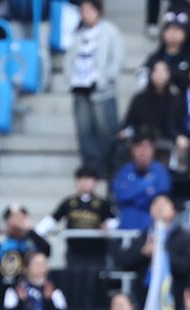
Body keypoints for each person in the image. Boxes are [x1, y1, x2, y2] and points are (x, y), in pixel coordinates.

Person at [69, 0, 124, 178]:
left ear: (98, 11)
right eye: (82, 11)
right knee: (85, 132)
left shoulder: (110, 32)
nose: (85, 14)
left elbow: (117, 59)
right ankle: (91, 171)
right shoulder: (77, 33)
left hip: (102, 91)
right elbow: (69, 59)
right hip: (80, 89)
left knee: (106, 131)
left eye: (89, 10)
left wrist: (104, 78)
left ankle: (111, 169)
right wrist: (70, 79)